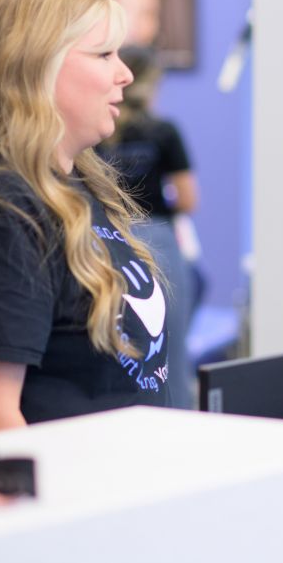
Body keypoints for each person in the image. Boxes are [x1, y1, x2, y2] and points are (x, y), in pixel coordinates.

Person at [0, 0, 171, 436]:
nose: (125, 73)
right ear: (37, 66)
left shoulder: (76, 184)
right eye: (105, 54)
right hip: (70, 497)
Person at [97, 46, 198, 409]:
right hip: (156, 235)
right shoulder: (164, 131)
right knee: (170, 349)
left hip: (105, 237)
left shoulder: (101, 131)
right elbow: (188, 199)